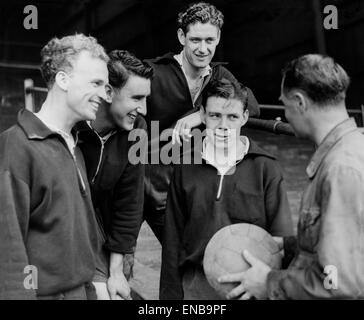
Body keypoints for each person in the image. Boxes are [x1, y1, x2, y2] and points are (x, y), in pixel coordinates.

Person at [219, 54, 364, 300]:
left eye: (284, 105)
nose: (285, 115)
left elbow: (340, 281)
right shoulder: (353, 148)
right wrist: (288, 246)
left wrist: (268, 283)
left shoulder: (341, 169)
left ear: (299, 102)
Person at [159, 78, 293, 300]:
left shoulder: (266, 168)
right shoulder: (185, 166)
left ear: (245, 117)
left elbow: (282, 241)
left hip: (250, 288)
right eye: (215, 116)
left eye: (232, 117)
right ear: (202, 115)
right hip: (196, 288)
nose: (223, 126)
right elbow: (172, 240)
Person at [0, 34, 109, 299]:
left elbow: (85, 234)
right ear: (63, 80)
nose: (103, 95)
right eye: (95, 83)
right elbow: (8, 246)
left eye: (105, 86)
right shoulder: (17, 145)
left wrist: (97, 282)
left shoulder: (76, 147)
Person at [144, 2, 261, 243]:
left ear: (218, 38)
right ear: (181, 37)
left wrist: (201, 114)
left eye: (209, 40)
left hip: (188, 189)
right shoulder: (154, 73)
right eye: (195, 40)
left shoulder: (219, 76)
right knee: (121, 261)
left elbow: (253, 105)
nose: (203, 48)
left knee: (188, 259)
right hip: (145, 181)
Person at [77, 50, 152, 300]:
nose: (143, 109)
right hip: (66, 226)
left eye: (146, 99)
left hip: (106, 231)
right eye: (137, 98)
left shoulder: (138, 129)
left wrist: (116, 269)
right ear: (108, 93)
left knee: (115, 293)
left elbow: (130, 201)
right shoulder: (73, 123)